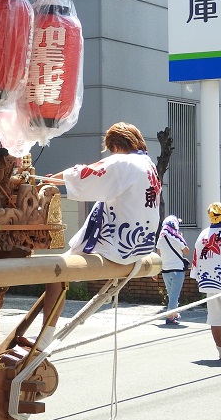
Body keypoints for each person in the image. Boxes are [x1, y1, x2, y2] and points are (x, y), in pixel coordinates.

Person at [31, 122, 162, 349]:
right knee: (59, 277)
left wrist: (51, 181)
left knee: (56, 275)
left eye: (111, 150)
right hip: (141, 245)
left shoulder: (123, 162)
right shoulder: (148, 164)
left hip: (118, 247)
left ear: (116, 146)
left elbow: (84, 173)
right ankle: (43, 337)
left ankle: (43, 340)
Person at [190, 202, 221, 361]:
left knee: (215, 318)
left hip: (208, 281)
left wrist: (198, 276)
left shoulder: (203, 234)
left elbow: (196, 257)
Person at [156, 214, 190, 326]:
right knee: (174, 295)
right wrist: (181, 238)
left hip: (165, 270)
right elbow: (186, 251)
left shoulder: (161, 238)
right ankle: (170, 317)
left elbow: (158, 254)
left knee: (171, 295)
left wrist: (156, 271)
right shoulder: (177, 237)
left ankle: (174, 313)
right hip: (177, 270)